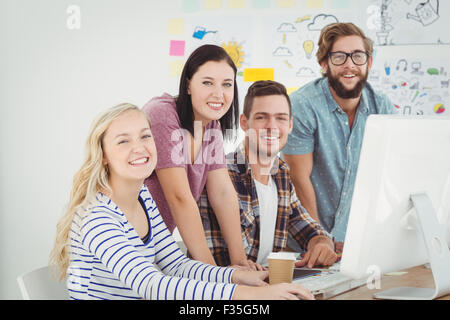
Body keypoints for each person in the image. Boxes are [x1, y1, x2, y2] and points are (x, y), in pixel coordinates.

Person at [49, 103, 315, 300]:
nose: (139, 147)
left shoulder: (143, 198)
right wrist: (250, 295)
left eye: (145, 136)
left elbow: (176, 266)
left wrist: (238, 275)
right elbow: (151, 285)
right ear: (103, 155)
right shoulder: (98, 217)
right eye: (123, 141)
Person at [199, 80, 337, 269]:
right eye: (262, 117)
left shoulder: (281, 176)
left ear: (290, 125)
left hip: (269, 286)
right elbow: (214, 264)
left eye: (280, 118)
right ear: (244, 123)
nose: (271, 127)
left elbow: (309, 230)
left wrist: (322, 244)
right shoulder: (221, 174)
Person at [282, 23, 396, 249]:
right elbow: (299, 179)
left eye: (357, 56)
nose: (349, 65)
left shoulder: (381, 106)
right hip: (305, 241)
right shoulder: (302, 105)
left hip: (357, 241)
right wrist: (319, 239)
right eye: (339, 57)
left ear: (369, 62)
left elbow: (389, 175)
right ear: (324, 64)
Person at [142, 45, 254, 268]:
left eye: (227, 84)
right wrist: (213, 274)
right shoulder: (162, 114)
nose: (218, 94)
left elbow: (222, 194)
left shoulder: (211, 125)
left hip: (154, 248)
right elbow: (179, 198)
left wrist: (240, 262)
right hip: (125, 241)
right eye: (207, 82)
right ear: (188, 85)